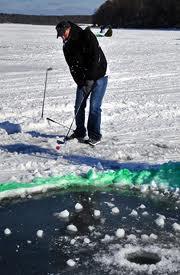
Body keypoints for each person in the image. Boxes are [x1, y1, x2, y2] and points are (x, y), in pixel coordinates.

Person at [55, 21, 108, 146]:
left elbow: (96, 58)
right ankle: (80, 132)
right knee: (78, 106)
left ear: (69, 29)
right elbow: (72, 67)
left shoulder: (86, 36)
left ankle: (95, 135)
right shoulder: (66, 46)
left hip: (100, 74)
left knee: (94, 107)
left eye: (63, 33)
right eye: (60, 35)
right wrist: (80, 82)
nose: (62, 37)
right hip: (84, 78)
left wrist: (90, 78)